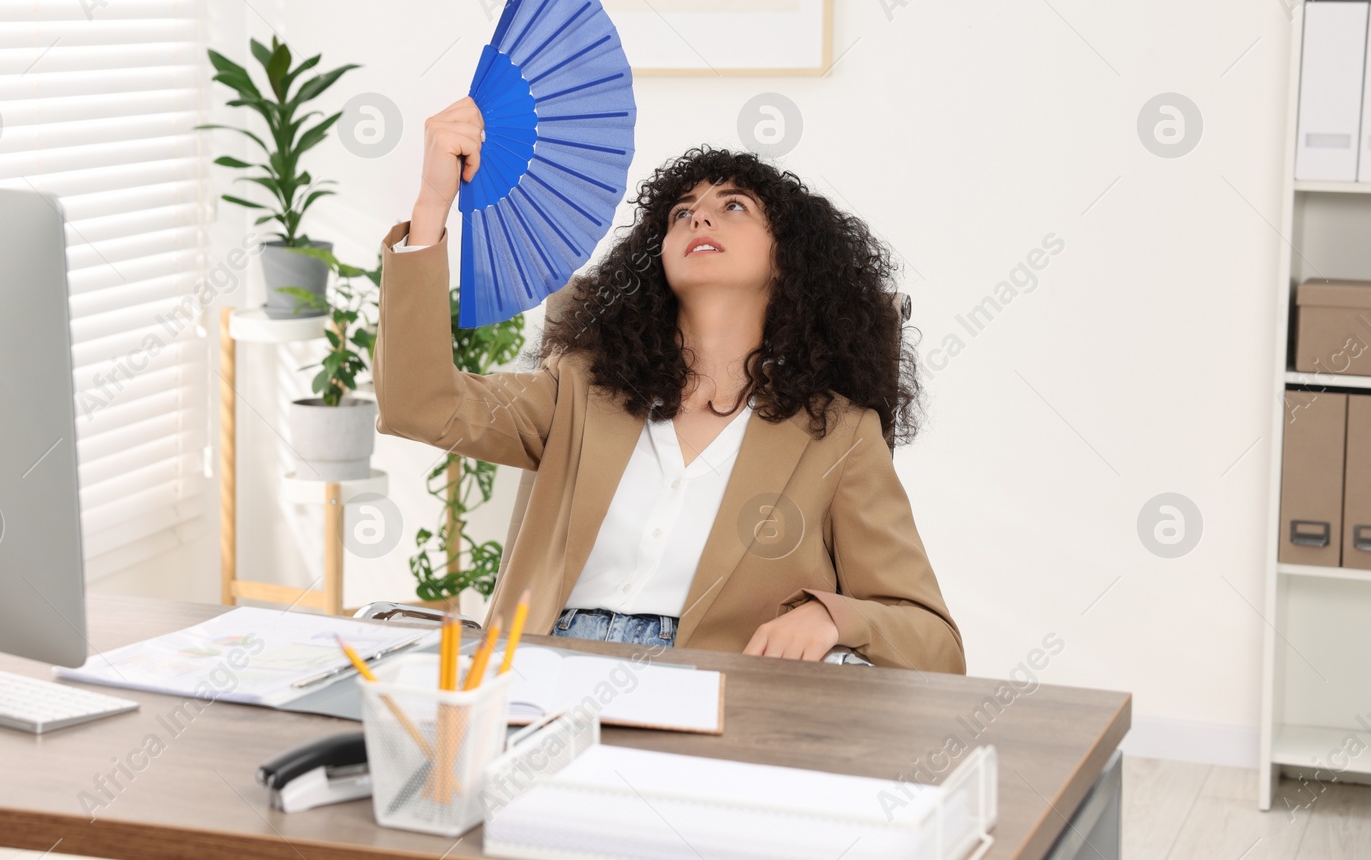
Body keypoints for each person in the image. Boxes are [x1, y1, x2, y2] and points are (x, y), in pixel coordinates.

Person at [371, 97, 964, 672]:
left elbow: (933, 643)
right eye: (682, 214)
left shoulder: (838, 434)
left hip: (712, 697)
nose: (699, 216)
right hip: (543, 675)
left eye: (733, 207)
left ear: (791, 259)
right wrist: (432, 204)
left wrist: (834, 619)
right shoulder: (579, 390)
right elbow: (417, 405)